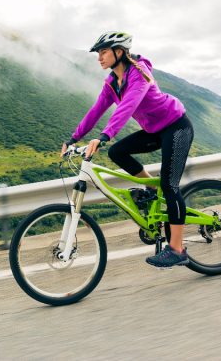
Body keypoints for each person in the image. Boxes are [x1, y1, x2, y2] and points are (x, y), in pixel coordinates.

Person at [61, 31, 194, 268]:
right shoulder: (112, 82)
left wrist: (104, 136)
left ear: (119, 52)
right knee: (117, 152)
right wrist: (74, 138)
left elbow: (128, 106)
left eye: (103, 52)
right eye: (98, 53)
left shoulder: (139, 74)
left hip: (176, 127)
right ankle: (150, 190)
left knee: (169, 185)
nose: (99, 57)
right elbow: (96, 110)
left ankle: (177, 249)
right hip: (154, 131)